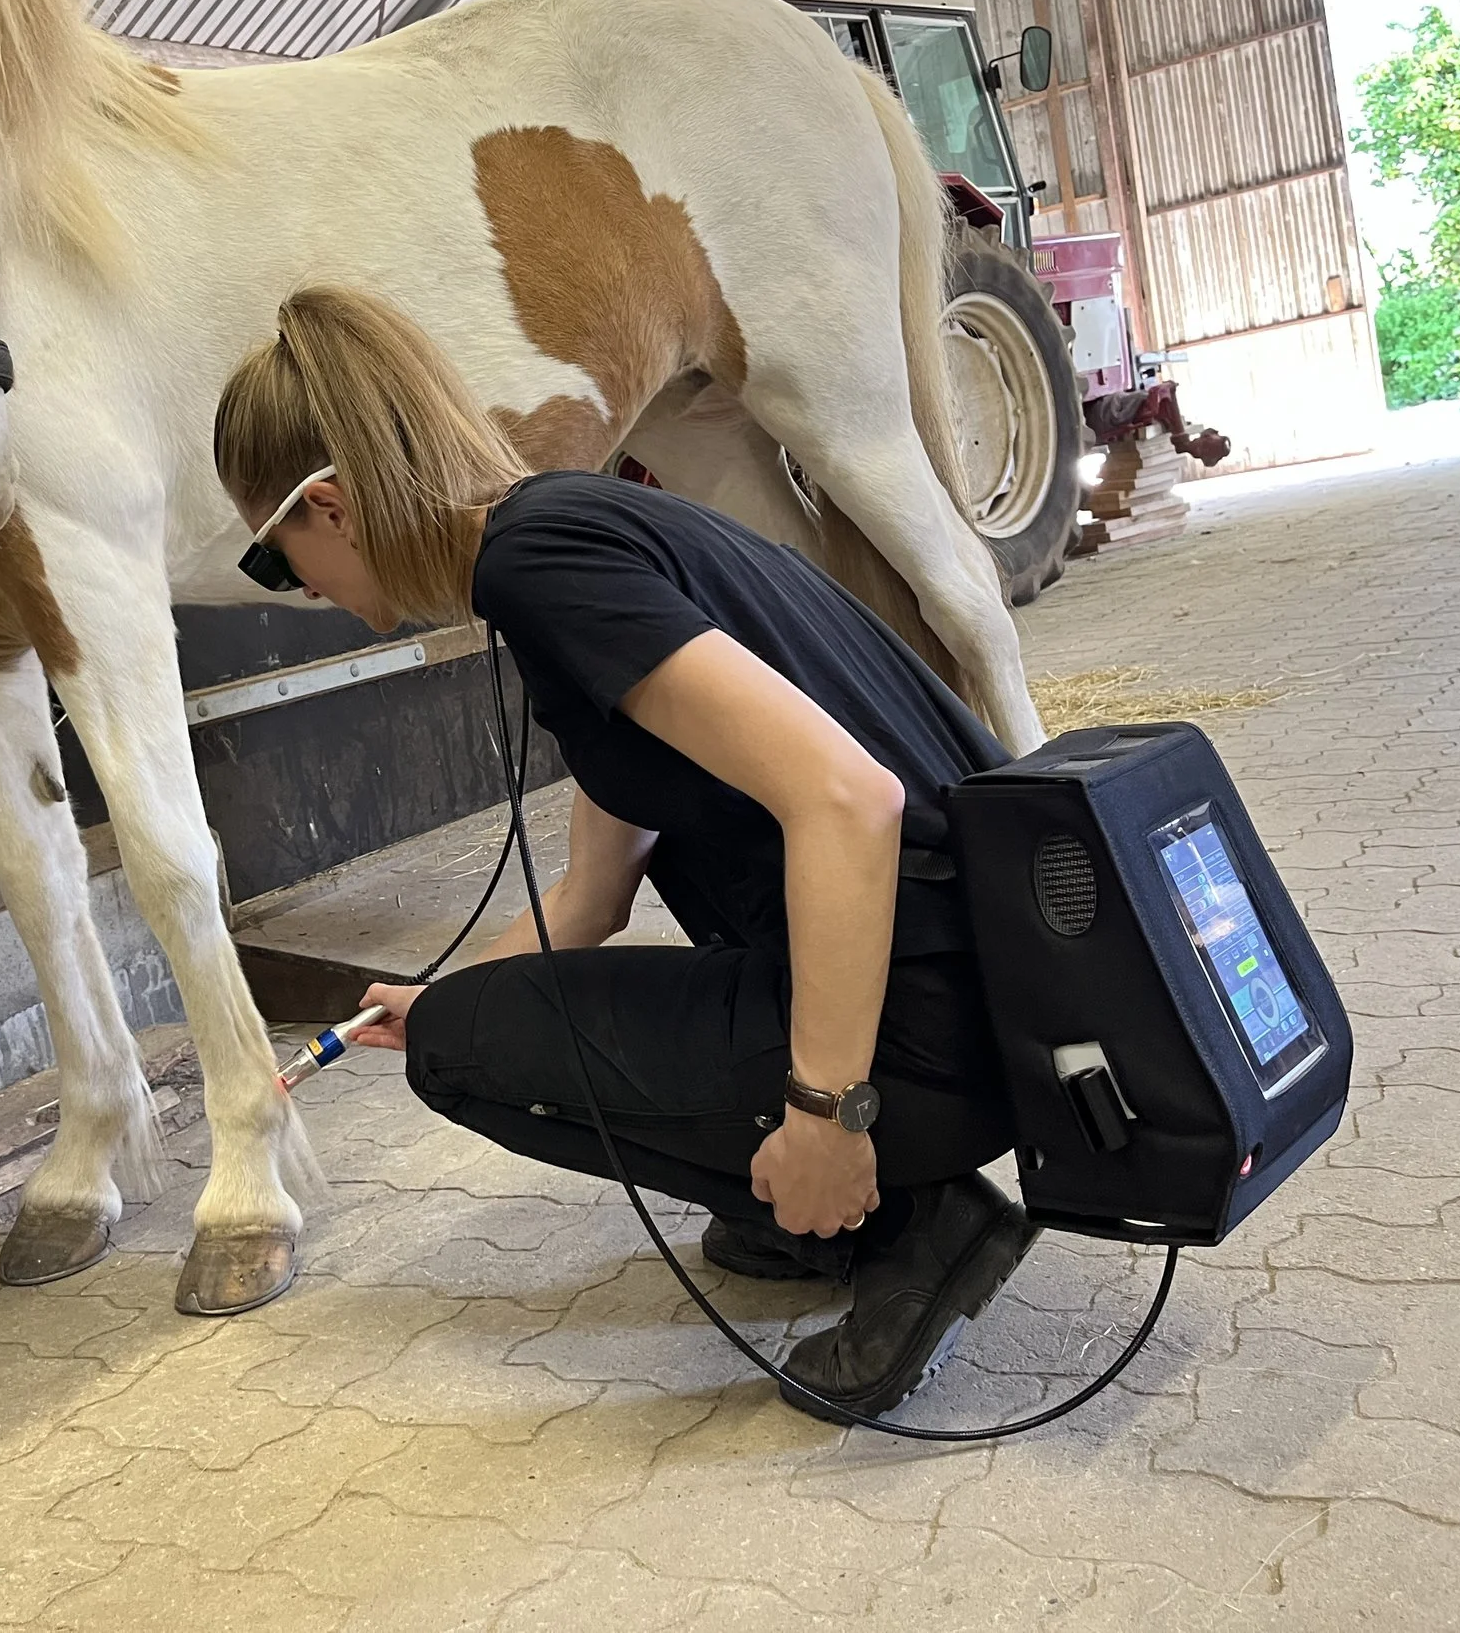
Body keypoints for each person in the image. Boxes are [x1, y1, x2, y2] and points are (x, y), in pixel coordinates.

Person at [214, 286, 1038, 1419]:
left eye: (274, 559)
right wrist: (441, 1000)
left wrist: (824, 1117)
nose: (295, 591)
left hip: (938, 1031)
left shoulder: (540, 572)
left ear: (332, 506)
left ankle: (914, 1219)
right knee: (455, 1029)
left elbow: (850, 804)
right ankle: (833, 1199)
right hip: (988, 997)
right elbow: (592, 894)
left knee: (464, 1057)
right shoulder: (574, 528)